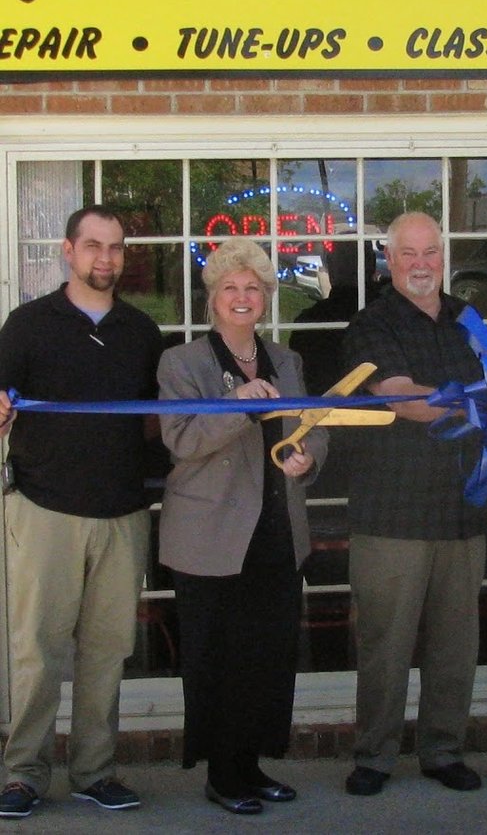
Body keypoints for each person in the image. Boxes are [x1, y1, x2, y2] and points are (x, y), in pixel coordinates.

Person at [339, 211, 487, 796]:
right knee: (386, 644)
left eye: (431, 252)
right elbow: (401, 398)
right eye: (408, 253)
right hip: (391, 513)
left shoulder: (470, 322)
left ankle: (443, 750)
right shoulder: (371, 325)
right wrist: (474, 404)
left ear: (444, 255)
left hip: (464, 508)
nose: (421, 264)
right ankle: (375, 755)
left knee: (454, 645)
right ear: (389, 260)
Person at [0, 206, 163, 819]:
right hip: (44, 511)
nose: (106, 259)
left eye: (116, 248)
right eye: (94, 246)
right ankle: (23, 775)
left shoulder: (142, 332)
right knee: (36, 651)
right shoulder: (27, 324)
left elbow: (155, 422)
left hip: (123, 513)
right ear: (68, 251)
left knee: (107, 651)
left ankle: (96, 771)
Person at [156, 237, 328, 816]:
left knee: (268, 656)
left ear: (266, 296)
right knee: (217, 657)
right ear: (213, 297)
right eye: (231, 286)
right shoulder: (182, 363)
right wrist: (239, 410)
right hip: (210, 537)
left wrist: (308, 457)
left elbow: (314, 425)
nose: (242, 295)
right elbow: (180, 440)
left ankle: (252, 766)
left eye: (253, 286)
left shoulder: (287, 360)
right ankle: (223, 774)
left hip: (277, 531)